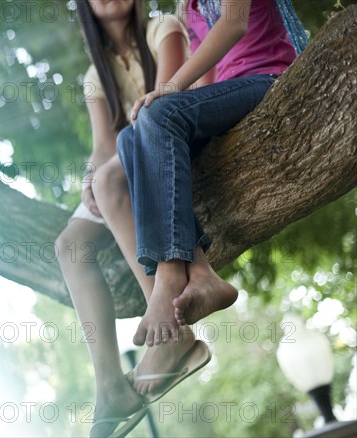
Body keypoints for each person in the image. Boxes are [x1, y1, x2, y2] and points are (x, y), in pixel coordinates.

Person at [108, 0, 308, 376]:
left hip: (269, 78)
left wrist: (170, 90)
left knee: (157, 114)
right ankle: (200, 273)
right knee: (131, 140)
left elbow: (233, 24)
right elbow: (208, 72)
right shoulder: (188, 5)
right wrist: (179, 111)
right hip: (231, 92)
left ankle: (167, 277)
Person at [56, 1, 213, 436]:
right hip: (121, 164)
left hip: (166, 145)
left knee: (111, 180)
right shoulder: (95, 74)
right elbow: (102, 146)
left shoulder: (164, 27)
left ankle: (169, 330)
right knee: (69, 246)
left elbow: (167, 103)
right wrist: (90, 176)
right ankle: (109, 384)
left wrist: (104, 176)